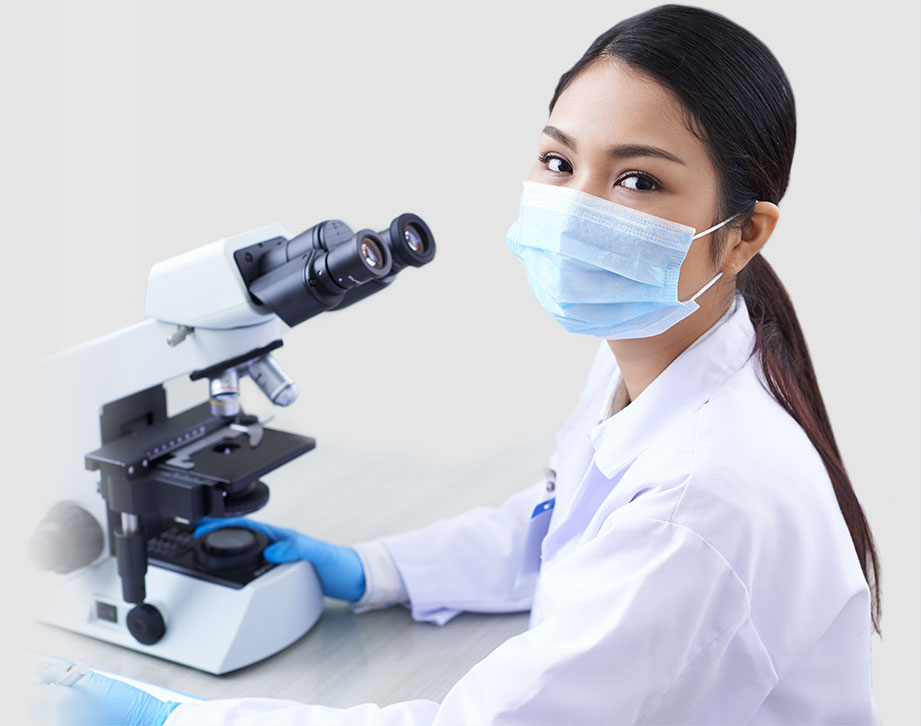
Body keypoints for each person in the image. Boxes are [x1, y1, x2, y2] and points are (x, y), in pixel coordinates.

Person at [34, 5, 881, 724]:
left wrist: (178, 716)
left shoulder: (709, 498)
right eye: (558, 161)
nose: (572, 207)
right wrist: (378, 569)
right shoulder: (665, 357)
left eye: (636, 183)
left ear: (742, 234)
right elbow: (561, 526)